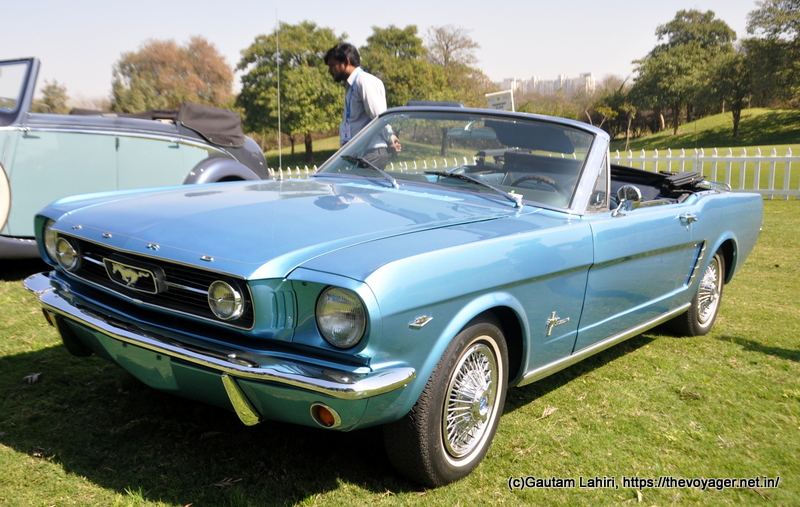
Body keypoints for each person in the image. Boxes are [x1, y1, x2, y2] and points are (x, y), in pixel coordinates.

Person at [325, 42, 400, 168]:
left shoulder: (364, 82)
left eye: (332, 65)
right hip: (358, 154)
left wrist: (389, 137)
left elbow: (379, 117)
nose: (330, 71)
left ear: (347, 61)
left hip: (370, 155)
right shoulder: (351, 85)